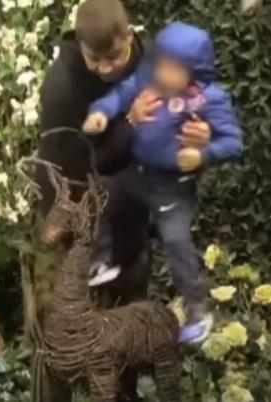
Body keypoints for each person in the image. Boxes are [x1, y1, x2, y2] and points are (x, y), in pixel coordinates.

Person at [36, 0, 213, 303]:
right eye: (95, 59)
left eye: (114, 56)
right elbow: (72, 170)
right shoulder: (62, 90)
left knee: (134, 297)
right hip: (84, 208)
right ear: (80, 45)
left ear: (129, 36)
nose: (106, 68)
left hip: (136, 209)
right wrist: (131, 122)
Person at [82, 21, 243, 344]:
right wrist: (100, 112)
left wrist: (203, 154)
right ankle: (101, 258)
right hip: (138, 174)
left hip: (172, 186)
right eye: (162, 64)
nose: (164, 74)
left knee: (176, 241)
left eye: (173, 68)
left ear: (193, 70)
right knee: (104, 192)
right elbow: (122, 93)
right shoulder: (149, 80)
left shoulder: (208, 100)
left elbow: (233, 143)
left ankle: (197, 310)